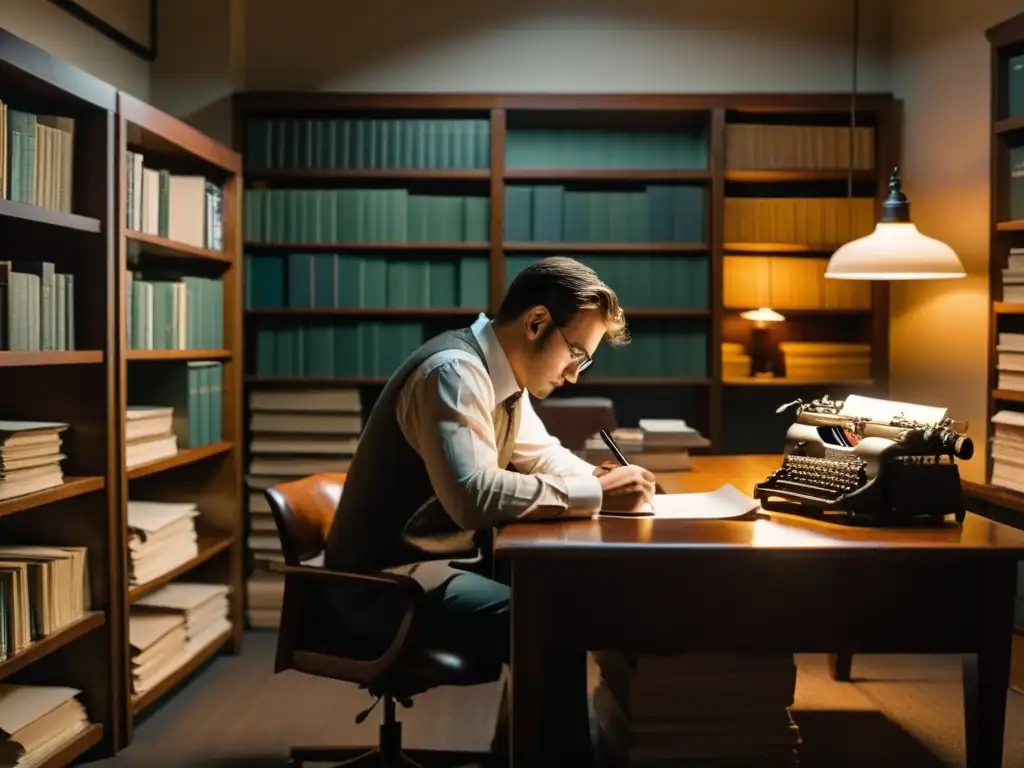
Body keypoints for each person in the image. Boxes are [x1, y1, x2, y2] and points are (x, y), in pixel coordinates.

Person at [322, 256, 656, 764]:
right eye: (576, 355)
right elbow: (473, 496)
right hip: (383, 584)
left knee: (558, 599)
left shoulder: (503, 379)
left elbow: (540, 455)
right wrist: (600, 495)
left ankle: (521, 754)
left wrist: (600, 480)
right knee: (552, 620)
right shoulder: (453, 373)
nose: (573, 376)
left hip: (433, 568)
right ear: (536, 322)